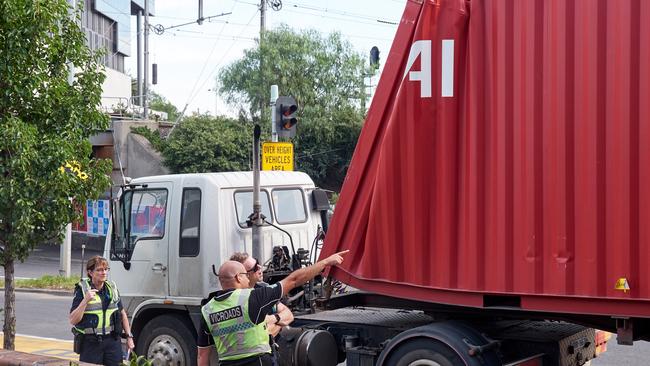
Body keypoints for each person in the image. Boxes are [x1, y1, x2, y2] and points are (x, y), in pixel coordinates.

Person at [197, 250, 349, 366]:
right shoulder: (252, 298)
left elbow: (202, 355)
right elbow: (294, 280)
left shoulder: (208, 309)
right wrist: (326, 262)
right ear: (238, 278)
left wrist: (274, 318)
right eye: (244, 274)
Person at [69, 256, 135, 366]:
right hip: (91, 343)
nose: (103, 272)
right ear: (90, 272)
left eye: (105, 269)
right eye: (99, 270)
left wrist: (129, 337)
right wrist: (85, 301)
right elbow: (73, 320)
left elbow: (122, 314)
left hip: (112, 342)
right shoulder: (83, 290)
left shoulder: (112, 288)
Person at [229, 252, 294, 336]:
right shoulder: (236, 299)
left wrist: (272, 319)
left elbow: (289, 315)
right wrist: (279, 325)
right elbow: (259, 334)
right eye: (255, 268)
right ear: (243, 275)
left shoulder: (262, 289)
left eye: (257, 263)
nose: (260, 267)